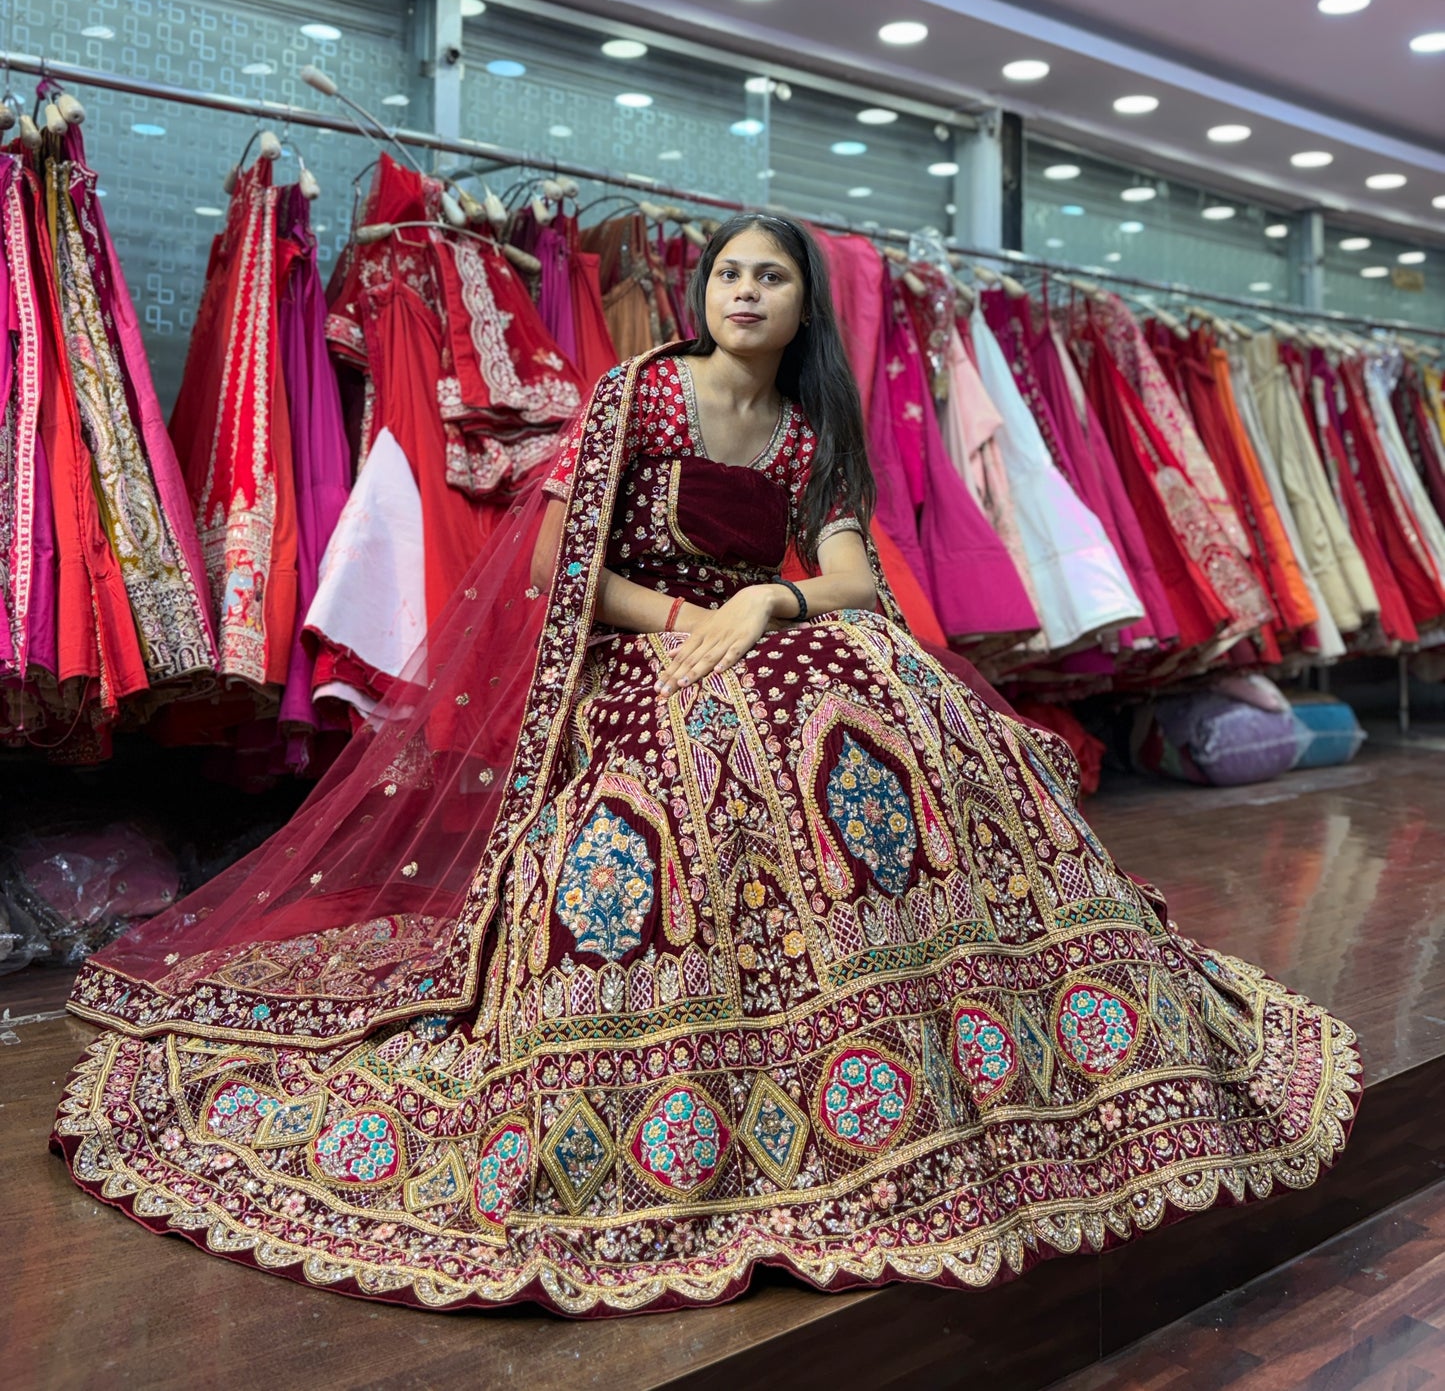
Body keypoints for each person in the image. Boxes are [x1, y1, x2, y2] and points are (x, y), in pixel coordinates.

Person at [53, 213, 1360, 1316]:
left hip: (770, 645)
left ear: (801, 306)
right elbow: (577, 570)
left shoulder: (806, 427)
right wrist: (696, 623)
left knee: (911, 720)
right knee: (687, 800)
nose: (744, 290)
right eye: (729, 271)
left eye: (770, 276)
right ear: (701, 291)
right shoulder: (643, 398)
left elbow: (846, 572)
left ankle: (954, 1040)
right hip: (645, 660)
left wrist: (769, 607)